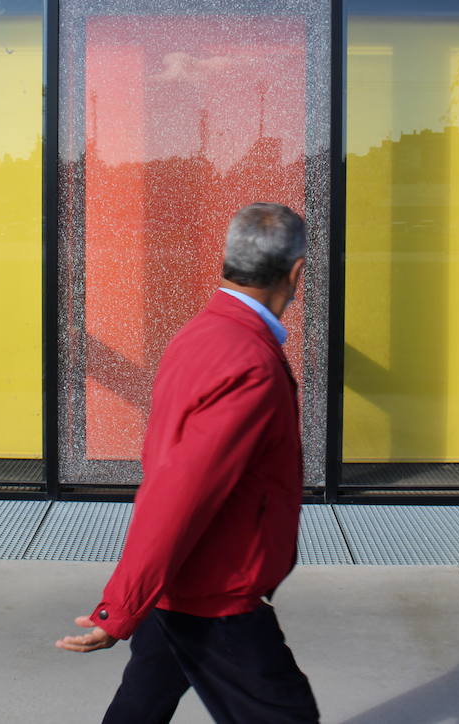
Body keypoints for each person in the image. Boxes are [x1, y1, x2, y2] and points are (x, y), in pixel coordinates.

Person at [55, 202, 319, 723]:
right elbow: (180, 490)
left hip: (180, 575)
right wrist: (121, 606)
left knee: (141, 706)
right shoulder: (251, 361)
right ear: (296, 273)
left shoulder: (202, 332)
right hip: (214, 590)